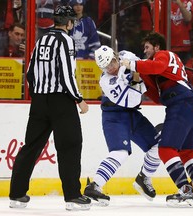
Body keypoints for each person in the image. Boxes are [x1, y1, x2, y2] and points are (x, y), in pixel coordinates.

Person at [9, 5, 90, 211]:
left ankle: (16, 195)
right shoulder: (66, 40)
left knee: (31, 146)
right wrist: (79, 99)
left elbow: (29, 72)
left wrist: (38, 96)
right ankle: (72, 197)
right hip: (61, 102)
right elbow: (66, 74)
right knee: (70, 145)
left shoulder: (41, 40)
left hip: (39, 101)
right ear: (69, 23)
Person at [121, 32, 193, 207]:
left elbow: (156, 66)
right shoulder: (162, 66)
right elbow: (158, 97)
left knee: (165, 149)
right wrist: (142, 79)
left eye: (147, 47)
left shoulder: (164, 54)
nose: (145, 51)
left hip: (180, 106)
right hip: (191, 106)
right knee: (187, 151)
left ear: (157, 47)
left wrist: (132, 64)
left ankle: (185, 190)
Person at [83, 45, 161, 206]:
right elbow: (133, 100)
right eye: (105, 66)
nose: (110, 68)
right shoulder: (106, 81)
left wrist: (136, 66)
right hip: (114, 116)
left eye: (111, 62)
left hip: (132, 114)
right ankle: (94, 185)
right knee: (121, 152)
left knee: (158, 147)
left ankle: (143, 177)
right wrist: (136, 75)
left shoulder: (127, 55)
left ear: (115, 56)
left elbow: (144, 66)